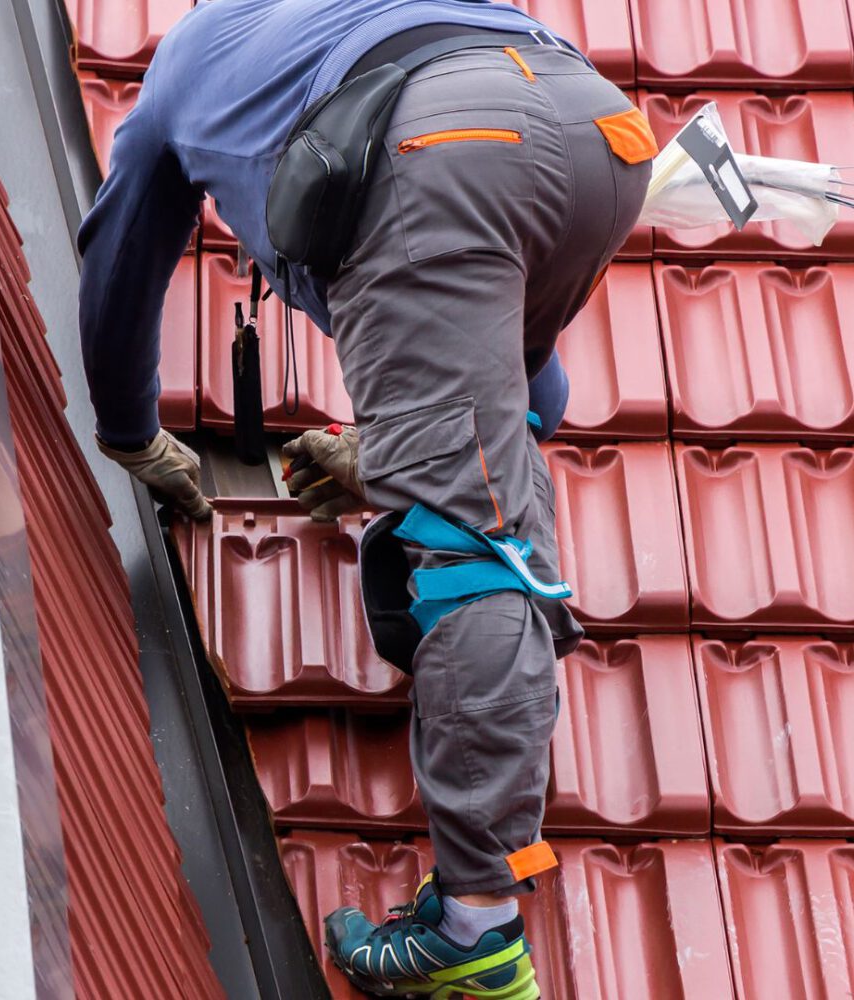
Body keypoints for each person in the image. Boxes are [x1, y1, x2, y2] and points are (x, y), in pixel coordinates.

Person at [78, 2, 655, 997]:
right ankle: (488, 699)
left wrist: (131, 432)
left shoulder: (192, 54)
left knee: (470, 539)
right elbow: (530, 394)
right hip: (601, 132)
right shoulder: (390, 12)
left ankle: (475, 930)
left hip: (448, 149)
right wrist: (392, 445)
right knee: (472, 474)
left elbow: (119, 270)